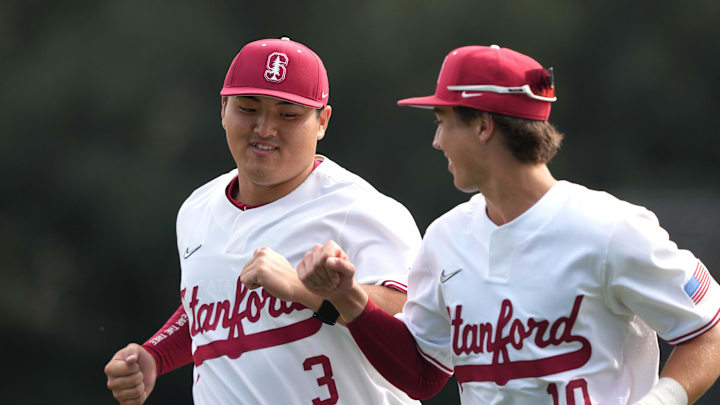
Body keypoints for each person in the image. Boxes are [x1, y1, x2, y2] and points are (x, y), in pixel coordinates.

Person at [276, 45, 720, 404]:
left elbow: (709, 331)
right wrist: (347, 297)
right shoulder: (447, 238)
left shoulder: (609, 229)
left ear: (484, 126)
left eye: (443, 122)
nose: (436, 141)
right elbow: (423, 375)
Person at [103, 37, 423, 405]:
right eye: (248, 108)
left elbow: (411, 323)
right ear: (223, 109)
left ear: (322, 121)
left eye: (288, 114)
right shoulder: (196, 209)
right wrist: (156, 355)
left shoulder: (362, 209)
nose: (265, 128)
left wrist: (312, 292)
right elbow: (213, 299)